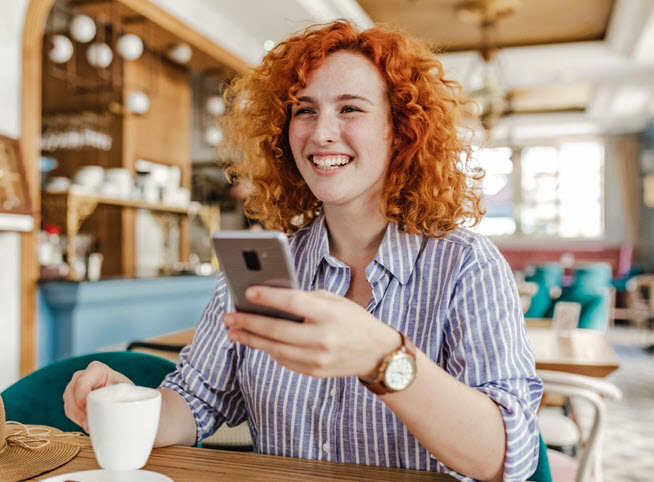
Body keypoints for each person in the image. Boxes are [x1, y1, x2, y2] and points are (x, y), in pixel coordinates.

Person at [63, 20, 542, 481]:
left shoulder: (464, 264)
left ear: (400, 131)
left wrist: (382, 359)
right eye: (305, 109)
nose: (320, 133)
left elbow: (504, 458)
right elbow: (195, 402)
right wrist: (127, 406)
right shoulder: (261, 264)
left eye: (350, 109)